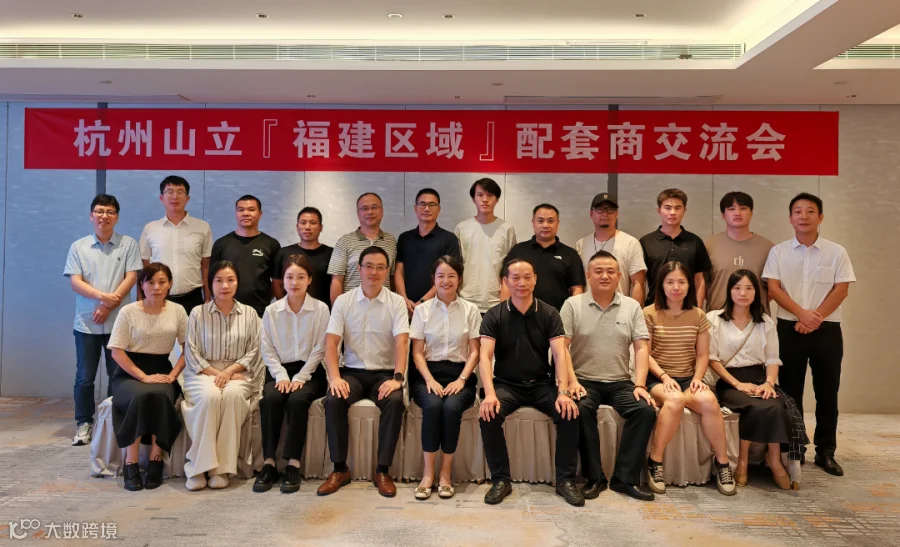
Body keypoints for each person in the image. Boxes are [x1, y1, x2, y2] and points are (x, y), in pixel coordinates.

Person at [763, 192, 855, 476]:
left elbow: (841, 289)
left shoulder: (836, 252)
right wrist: (802, 314)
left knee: (827, 393)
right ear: (790, 218)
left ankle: (826, 452)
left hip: (827, 330)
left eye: (810, 211)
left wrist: (814, 318)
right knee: (791, 393)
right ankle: (797, 449)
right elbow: (773, 288)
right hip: (789, 328)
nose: (804, 216)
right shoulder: (778, 252)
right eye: (798, 211)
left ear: (820, 217)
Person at [478, 258, 582, 506]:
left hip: (540, 384)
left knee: (569, 413)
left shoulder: (549, 313)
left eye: (527, 277)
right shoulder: (494, 315)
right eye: (515, 278)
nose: (522, 283)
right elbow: (484, 356)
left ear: (535, 279)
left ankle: (565, 481)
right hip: (506, 385)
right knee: (488, 415)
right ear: (505, 281)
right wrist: (490, 394)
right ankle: (501, 480)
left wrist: (563, 391)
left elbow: (560, 354)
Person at [561, 250, 657, 502]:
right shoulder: (572, 304)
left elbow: (641, 348)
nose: (604, 276)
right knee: (580, 409)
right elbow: (562, 348)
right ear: (588, 275)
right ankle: (595, 478)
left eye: (610, 271)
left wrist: (640, 384)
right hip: (584, 380)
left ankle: (624, 479)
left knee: (644, 410)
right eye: (598, 271)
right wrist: (572, 382)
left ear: (619, 275)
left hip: (620, 381)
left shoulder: (631, 306)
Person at [317, 247, 409, 498]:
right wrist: (335, 378)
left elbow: (402, 342)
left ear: (387, 271)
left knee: (395, 401)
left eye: (380, 267)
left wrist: (398, 378)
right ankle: (340, 469)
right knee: (334, 400)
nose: (373, 272)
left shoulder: (396, 302)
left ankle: (382, 471)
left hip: (384, 373)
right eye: (368, 266)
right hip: (352, 373)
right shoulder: (344, 301)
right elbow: (331, 343)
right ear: (359, 269)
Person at [707, 270, 808, 490]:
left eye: (749, 288)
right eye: (737, 288)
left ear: (756, 292)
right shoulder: (714, 319)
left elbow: (772, 359)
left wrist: (769, 384)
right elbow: (712, 359)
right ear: (729, 291)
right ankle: (743, 461)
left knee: (775, 405)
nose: (743, 293)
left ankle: (773, 459)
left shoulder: (765, 322)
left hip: (759, 378)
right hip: (730, 381)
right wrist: (738, 384)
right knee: (754, 405)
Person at [643, 261, 735, 496]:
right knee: (674, 401)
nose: (676, 287)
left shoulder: (698, 315)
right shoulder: (649, 313)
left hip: (688, 378)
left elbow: (703, 354)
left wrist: (697, 378)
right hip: (657, 378)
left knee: (709, 402)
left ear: (689, 286)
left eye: (681, 282)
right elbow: (646, 355)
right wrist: (664, 376)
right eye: (670, 282)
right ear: (661, 285)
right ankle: (655, 461)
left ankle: (723, 464)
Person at [64, 194, 142, 446]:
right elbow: (76, 282)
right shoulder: (78, 247)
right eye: (99, 211)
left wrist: (108, 306)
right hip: (86, 323)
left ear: (116, 217)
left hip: (119, 323)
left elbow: (131, 277)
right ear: (91, 215)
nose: (104, 216)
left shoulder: (128, 244)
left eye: (109, 212)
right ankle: (84, 423)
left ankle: (112, 422)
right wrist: (102, 298)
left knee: (117, 375)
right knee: (84, 377)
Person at [107, 263, 188, 491]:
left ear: (170, 284)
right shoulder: (129, 311)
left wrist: (173, 375)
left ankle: (156, 459)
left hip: (162, 370)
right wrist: (143, 377)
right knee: (140, 396)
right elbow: (116, 351)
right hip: (129, 373)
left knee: (160, 395)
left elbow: (189, 349)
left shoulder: (178, 311)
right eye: (150, 282)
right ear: (141, 285)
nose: (156, 287)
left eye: (162, 282)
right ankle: (130, 462)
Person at [254, 255, 331, 494]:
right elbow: (266, 348)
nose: (294, 282)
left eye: (300, 277)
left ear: (309, 280)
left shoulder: (321, 309)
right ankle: (269, 463)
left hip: (310, 371)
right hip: (279, 370)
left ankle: (293, 464)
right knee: (270, 399)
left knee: (297, 400)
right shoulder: (272, 311)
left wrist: (300, 377)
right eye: (289, 277)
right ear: (282, 280)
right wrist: (281, 376)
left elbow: (321, 348)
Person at [182, 261, 262, 491]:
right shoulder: (197, 313)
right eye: (218, 280)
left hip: (238, 373)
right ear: (210, 284)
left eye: (230, 280)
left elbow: (254, 350)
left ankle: (222, 469)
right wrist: (219, 373)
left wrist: (229, 372)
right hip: (202, 372)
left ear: (238, 283)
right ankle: (198, 467)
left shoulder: (250, 314)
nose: (225, 286)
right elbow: (192, 352)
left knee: (233, 396)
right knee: (210, 396)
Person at [409, 256, 481, 500]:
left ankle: (445, 474)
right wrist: (429, 380)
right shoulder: (422, 310)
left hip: (460, 376)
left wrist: (461, 379)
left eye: (451, 275)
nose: (446, 280)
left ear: (459, 279)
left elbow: (475, 352)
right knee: (432, 406)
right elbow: (417, 353)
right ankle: (427, 474)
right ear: (434, 279)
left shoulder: (471, 310)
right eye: (441, 276)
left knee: (450, 409)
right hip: (426, 375)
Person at [139, 175, 213, 314]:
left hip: (193, 298)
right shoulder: (150, 229)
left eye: (180, 192)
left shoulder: (203, 228)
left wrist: (208, 298)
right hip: (158, 298)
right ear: (161, 198)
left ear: (187, 198)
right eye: (170, 192)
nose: (175, 196)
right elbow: (144, 269)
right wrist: (141, 300)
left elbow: (206, 267)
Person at [500, 203, 584, 311]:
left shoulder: (570, 254)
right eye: (540, 221)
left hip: (558, 316)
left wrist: (572, 314)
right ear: (533, 223)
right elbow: (506, 284)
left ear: (557, 223)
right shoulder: (518, 251)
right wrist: (505, 313)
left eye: (550, 221)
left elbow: (577, 289)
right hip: (520, 315)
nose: (545, 225)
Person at [640, 189, 712, 308]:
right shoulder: (646, 242)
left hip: (688, 309)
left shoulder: (695, 241)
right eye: (667, 208)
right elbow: (640, 282)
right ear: (659, 210)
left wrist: (698, 310)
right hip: (655, 308)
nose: (672, 212)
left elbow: (699, 280)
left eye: (678, 208)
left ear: (684, 210)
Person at [210, 195, 281, 317]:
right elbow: (212, 279)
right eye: (241, 210)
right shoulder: (221, 244)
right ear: (236, 213)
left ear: (260, 214)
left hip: (260, 311)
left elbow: (277, 281)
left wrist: (263, 301)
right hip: (226, 310)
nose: (245, 213)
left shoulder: (271, 244)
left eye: (251, 210)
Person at [394, 188, 462, 315]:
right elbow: (399, 272)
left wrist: (423, 302)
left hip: (439, 307)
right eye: (422, 204)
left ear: (439, 209)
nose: (426, 209)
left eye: (432, 204)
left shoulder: (449, 239)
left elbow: (449, 275)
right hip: (406, 308)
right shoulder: (404, 238)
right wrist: (404, 301)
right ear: (415, 208)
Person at [455, 178, 517, 314]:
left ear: (497, 199)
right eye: (480, 195)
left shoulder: (507, 229)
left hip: (496, 301)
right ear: (473, 199)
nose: (485, 199)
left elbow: (511, 266)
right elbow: (456, 264)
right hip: (466, 300)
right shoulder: (462, 228)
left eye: (490, 195)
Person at [705, 192, 774, 313]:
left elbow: (774, 289)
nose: (737, 213)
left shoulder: (768, 247)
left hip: (756, 317)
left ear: (751, 213)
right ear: (723, 215)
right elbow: (701, 285)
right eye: (731, 209)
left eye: (743, 208)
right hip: (718, 316)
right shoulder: (709, 245)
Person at [574, 193, 647, 304]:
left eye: (610, 210)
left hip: (620, 310)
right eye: (600, 209)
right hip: (587, 310)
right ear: (591, 214)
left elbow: (638, 284)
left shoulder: (631, 243)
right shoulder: (581, 244)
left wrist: (636, 312)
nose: (605, 214)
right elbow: (577, 285)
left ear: (617, 214)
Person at [327, 193, 398, 304]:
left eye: (374, 207)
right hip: (352, 308)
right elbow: (336, 280)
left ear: (382, 211)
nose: (370, 212)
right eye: (365, 208)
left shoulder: (391, 241)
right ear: (358, 213)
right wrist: (338, 310)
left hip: (383, 307)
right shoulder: (344, 241)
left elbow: (392, 278)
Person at [273, 207, 333, 307]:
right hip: (290, 312)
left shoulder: (331, 254)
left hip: (323, 311)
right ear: (297, 227)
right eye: (303, 223)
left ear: (321, 227)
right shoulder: (284, 253)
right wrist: (285, 307)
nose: (307, 227)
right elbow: (277, 284)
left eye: (313, 223)